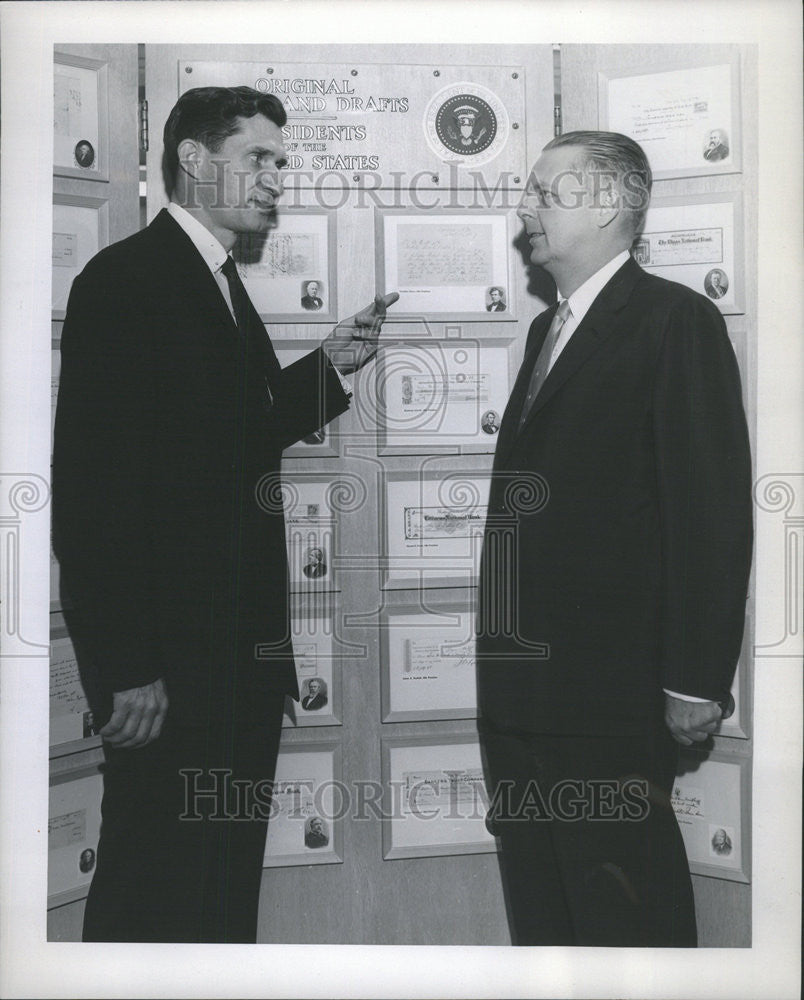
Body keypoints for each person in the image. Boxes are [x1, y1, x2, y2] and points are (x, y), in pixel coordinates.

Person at [52, 85, 397, 943]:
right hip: (167, 677)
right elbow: (94, 491)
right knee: (154, 893)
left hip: (231, 670)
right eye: (259, 158)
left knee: (218, 890)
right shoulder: (126, 282)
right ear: (195, 161)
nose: (278, 177)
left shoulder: (214, 280)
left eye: (282, 160)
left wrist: (331, 364)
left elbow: (230, 438)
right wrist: (125, 665)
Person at [476, 130, 752, 947]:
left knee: (626, 924)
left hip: (609, 701)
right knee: (545, 919)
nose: (523, 208)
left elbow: (710, 513)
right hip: (522, 701)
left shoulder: (675, 322)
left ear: (605, 202)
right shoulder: (544, 333)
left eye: (542, 191)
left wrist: (697, 680)